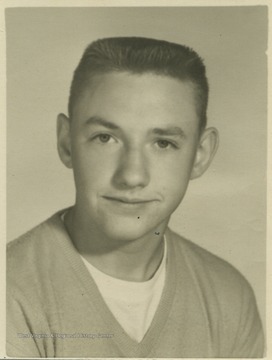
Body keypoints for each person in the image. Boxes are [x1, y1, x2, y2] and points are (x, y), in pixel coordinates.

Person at [7, 37, 264, 358]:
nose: (131, 176)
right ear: (66, 142)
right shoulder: (12, 293)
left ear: (200, 155)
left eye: (163, 143)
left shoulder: (228, 298)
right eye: (105, 138)